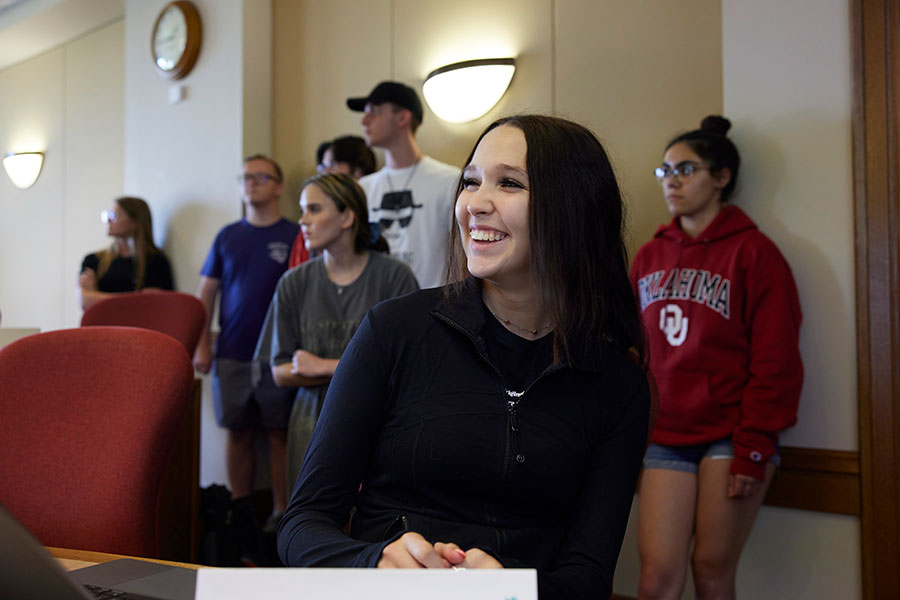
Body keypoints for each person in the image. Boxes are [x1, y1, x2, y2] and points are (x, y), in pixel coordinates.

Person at [277, 115, 651, 600]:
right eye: (471, 181)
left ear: (575, 208)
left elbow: (588, 577)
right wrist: (371, 561)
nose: (475, 204)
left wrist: (516, 589)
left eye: (510, 183)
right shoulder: (394, 331)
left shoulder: (616, 382)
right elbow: (301, 526)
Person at [631, 116, 802, 600]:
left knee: (710, 569)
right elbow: (633, 352)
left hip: (732, 436)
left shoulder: (755, 253)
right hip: (665, 435)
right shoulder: (648, 256)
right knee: (656, 579)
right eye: (664, 172)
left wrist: (753, 445)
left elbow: (777, 359)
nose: (673, 181)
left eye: (686, 169)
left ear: (722, 177)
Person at [262, 172, 418, 491]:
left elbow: (409, 370)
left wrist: (320, 366)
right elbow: (280, 371)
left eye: (314, 209)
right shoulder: (293, 283)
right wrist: (365, 369)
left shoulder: (394, 277)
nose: (302, 220)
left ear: (347, 216)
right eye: (303, 210)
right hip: (311, 431)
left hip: (380, 431)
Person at [193, 154, 300, 534]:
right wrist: (201, 343)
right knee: (237, 432)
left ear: (278, 186)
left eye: (260, 176)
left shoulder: (294, 234)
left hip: (279, 354)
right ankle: (239, 512)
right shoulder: (228, 236)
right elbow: (207, 291)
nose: (251, 183)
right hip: (233, 352)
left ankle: (280, 513)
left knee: (278, 433)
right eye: (245, 177)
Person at [346, 80, 459, 289]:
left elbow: (465, 254)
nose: (364, 121)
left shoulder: (449, 181)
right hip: (377, 309)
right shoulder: (363, 188)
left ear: (402, 117)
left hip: (434, 308)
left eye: (375, 111)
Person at [289, 135, 377, 269]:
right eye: (322, 167)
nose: (324, 173)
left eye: (331, 165)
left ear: (358, 171)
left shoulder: (378, 214)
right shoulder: (309, 228)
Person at [78, 196, 173, 309]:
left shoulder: (156, 262)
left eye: (114, 215)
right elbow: (85, 301)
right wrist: (136, 299)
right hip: (102, 326)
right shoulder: (93, 260)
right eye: (107, 215)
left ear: (135, 222)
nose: (108, 220)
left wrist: (97, 295)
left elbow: (154, 305)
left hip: (139, 326)